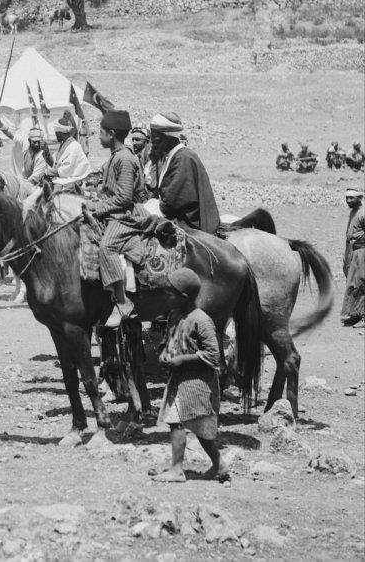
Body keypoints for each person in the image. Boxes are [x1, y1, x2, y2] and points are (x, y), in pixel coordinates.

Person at [153, 268, 228, 483]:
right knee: (186, 424)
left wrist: (183, 360)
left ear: (184, 297)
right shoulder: (175, 316)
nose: (165, 297)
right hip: (180, 380)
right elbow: (169, 342)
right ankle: (219, 465)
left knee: (195, 427)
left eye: (169, 293)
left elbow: (213, 355)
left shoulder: (201, 320)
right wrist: (164, 354)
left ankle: (177, 470)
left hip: (198, 382)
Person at [85, 108, 148, 328]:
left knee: (107, 247)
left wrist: (99, 209)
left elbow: (124, 197)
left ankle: (122, 302)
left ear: (111, 134)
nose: (98, 136)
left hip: (126, 215)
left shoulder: (125, 159)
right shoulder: (115, 157)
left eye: (100, 132)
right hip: (115, 212)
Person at [146, 113, 219, 234]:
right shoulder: (170, 156)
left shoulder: (183, 158)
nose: (152, 141)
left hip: (186, 223)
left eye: (155, 137)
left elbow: (170, 202)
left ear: (167, 137)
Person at [341, 188, 365, 327]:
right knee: (353, 283)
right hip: (353, 251)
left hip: (362, 251)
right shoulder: (353, 212)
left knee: (362, 283)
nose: (348, 201)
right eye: (347, 198)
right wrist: (346, 256)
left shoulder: (363, 213)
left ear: (359, 198)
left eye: (352, 198)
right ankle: (356, 314)